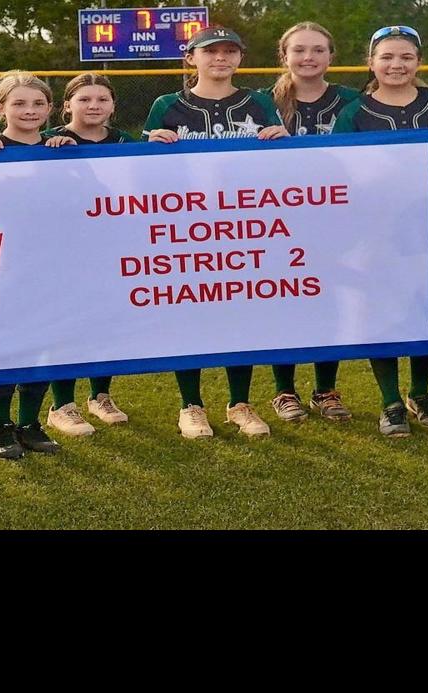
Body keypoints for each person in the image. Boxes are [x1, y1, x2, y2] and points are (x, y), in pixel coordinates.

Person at [143, 26, 288, 439]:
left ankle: (240, 403)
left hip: (245, 227)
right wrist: (151, 143)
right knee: (188, 312)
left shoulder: (259, 103)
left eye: (229, 52)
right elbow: (140, 171)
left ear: (240, 58)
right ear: (192, 58)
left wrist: (285, 141)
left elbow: (280, 168)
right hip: (184, 228)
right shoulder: (167, 104)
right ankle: (190, 405)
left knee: (240, 312)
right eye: (210, 52)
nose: (220, 58)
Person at [332, 24, 428, 436]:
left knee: (425, 307)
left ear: (418, 62)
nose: (397, 65)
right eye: (388, 57)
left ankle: (420, 390)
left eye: (406, 57)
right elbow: (341, 171)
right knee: (383, 311)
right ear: (371, 62)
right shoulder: (356, 111)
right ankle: (390, 399)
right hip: (374, 230)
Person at [259, 21, 360, 423]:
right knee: (282, 300)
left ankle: (325, 389)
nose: (308, 57)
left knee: (326, 298)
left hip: (337, 215)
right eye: (299, 50)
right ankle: (284, 390)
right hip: (278, 218)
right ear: (284, 56)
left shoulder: (355, 100)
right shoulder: (263, 102)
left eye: (318, 49)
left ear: (331, 56)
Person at [0, 71, 68, 459]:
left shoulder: (64, 148)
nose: (29, 110)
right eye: (19, 103)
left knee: (45, 345)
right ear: (0, 108)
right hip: (1, 268)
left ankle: (29, 423)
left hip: (55, 265)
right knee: (4, 347)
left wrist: (73, 155)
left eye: (38, 103)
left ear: (50, 109)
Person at [38, 73, 136, 437]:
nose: (93, 105)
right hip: (57, 250)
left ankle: (100, 395)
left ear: (112, 105)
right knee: (63, 324)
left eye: (101, 99)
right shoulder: (46, 140)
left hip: (108, 245)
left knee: (103, 322)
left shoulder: (127, 142)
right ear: (67, 105)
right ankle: (62, 404)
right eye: (84, 99)